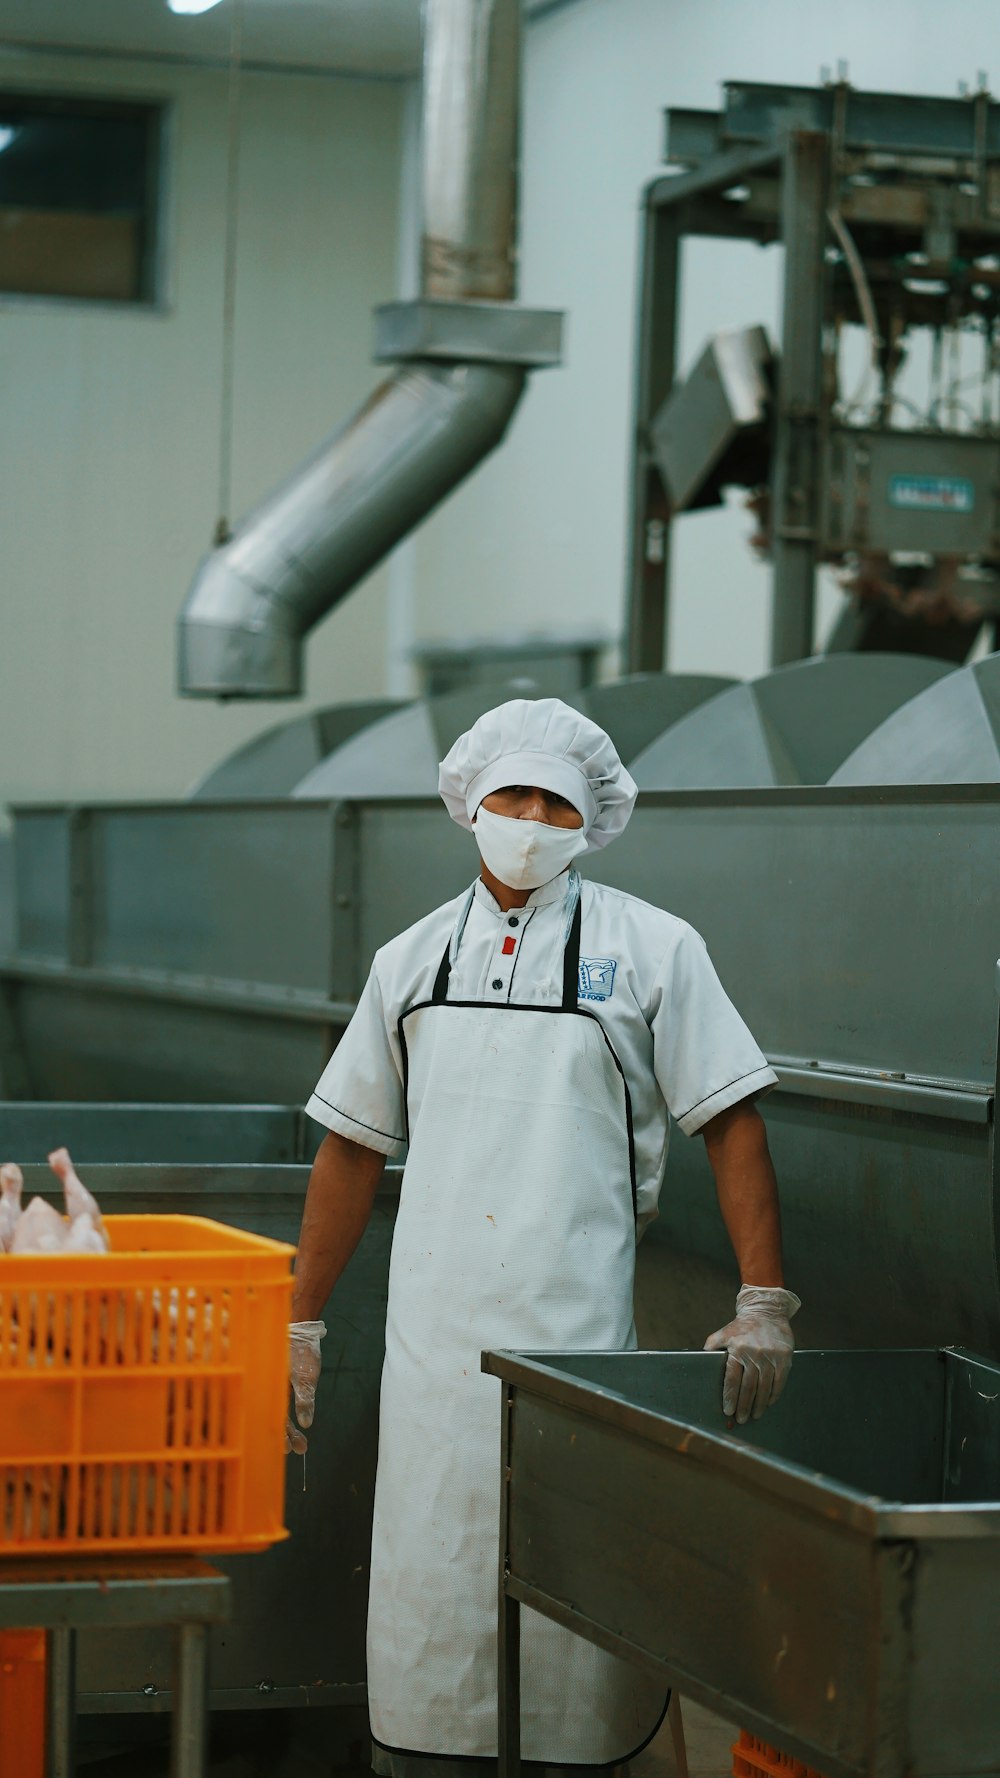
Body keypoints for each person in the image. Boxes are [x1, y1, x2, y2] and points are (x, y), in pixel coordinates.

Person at [287, 697, 799, 1777]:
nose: (528, 817)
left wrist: (763, 1299)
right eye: (510, 795)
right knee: (434, 1587)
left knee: (579, 1614)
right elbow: (348, 1147)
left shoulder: (651, 948)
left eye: (551, 800)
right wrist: (297, 1317)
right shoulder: (410, 960)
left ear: (588, 818)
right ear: (471, 804)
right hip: (433, 1353)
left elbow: (731, 1117)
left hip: (576, 1343)